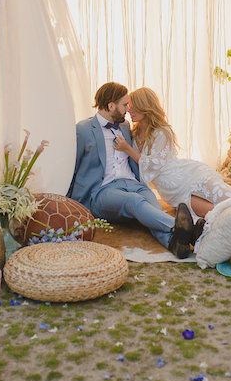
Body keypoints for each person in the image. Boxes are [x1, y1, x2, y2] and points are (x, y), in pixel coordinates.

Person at [67, 81, 202, 258]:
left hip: (134, 183)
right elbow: (73, 166)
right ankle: (184, 229)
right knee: (135, 202)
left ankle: (175, 244)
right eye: (124, 105)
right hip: (102, 190)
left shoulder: (124, 127)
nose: (128, 109)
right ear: (111, 105)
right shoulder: (83, 129)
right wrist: (68, 201)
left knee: (151, 208)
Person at [114, 86, 231, 218]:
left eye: (133, 106)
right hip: (171, 191)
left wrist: (127, 148)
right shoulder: (134, 133)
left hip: (188, 176)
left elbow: (153, 165)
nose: (129, 110)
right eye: (128, 106)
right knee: (218, 212)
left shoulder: (162, 132)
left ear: (145, 106)